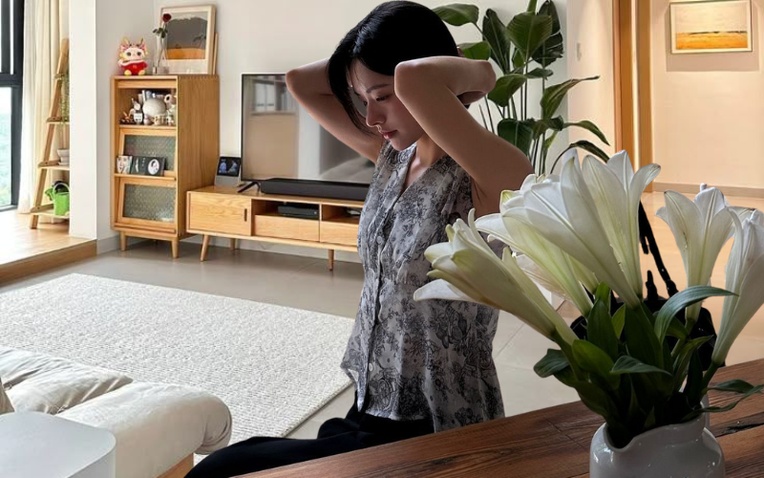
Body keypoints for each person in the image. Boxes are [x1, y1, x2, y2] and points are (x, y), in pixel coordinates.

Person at [186, 2, 531, 476]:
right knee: (235, 462)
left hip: (436, 425)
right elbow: (298, 81)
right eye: (361, 98)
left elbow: (415, 78)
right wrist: (367, 72)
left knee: (222, 472)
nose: (370, 117)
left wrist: (481, 73)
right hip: (371, 405)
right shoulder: (393, 158)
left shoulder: (488, 177)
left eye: (382, 96)